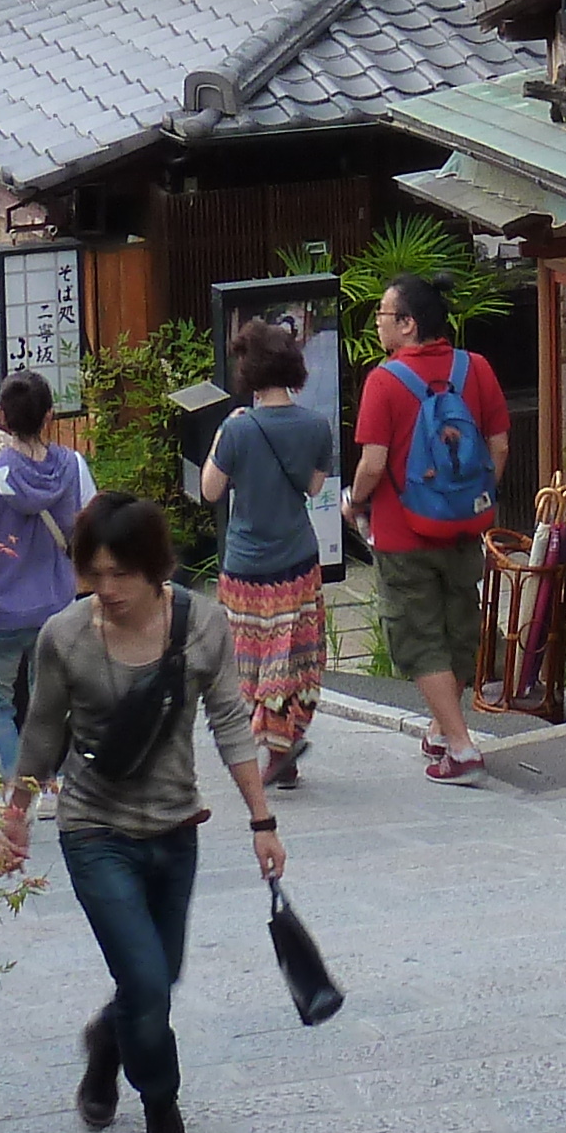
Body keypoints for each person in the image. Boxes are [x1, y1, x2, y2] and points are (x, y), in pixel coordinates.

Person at [4, 493, 280, 1133]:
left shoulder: (201, 624)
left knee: (158, 977)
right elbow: (42, 733)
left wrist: (261, 820)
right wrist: (15, 813)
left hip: (175, 828)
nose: (108, 590)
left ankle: (107, 1042)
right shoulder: (64, 636)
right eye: (94, 573)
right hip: (94, 829)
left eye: (121, 574)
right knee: (150, 984)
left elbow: (229, 721)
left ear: (155, 568)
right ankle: (164, 1120)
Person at [347, 273, 508, 786]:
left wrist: (355, 502)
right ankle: (443, 728)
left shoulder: (385, 380)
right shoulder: (476, 368)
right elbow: (499, 446)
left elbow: (373, 463)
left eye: (383, 316)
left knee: (418, 637)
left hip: (404, 533)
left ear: (408, 324)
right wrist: (472, 498)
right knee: (459, 627)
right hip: (466, 527)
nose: (377, 325)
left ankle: (461, 748)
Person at [198, 320, 332, 785]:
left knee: (249, 660)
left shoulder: (238, 430)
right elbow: (315, 488)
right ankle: (284, 742)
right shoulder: (316, 426)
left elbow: (210, 490)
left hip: (247, 565)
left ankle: (272, 742)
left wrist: (223, 434)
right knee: (295, 658)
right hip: (297, 560)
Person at [0, 372, 86, 779]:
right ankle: (50, 781)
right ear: (49, 415)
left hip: (0, 610)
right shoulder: (74, 466)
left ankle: (19, 783)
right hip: (56, 605)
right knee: (47, 701)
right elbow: (85, 529)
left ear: (1, 417)